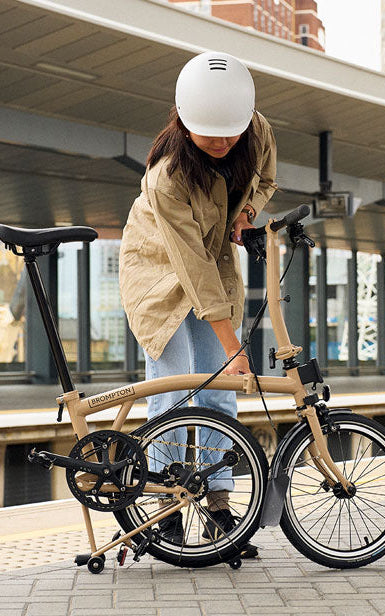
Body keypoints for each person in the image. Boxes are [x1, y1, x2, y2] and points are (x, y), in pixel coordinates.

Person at [118, 51, 277, 552]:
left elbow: (266, 180)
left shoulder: (254, 131)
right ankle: (163, 509)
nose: (223, 142)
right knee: (175, 390)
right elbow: (191, 270)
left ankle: (218, 510)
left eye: (230, 131)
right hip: (157, 270)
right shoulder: (167, 177)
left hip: (210, 263)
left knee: (219, 396)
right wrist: (234, 346)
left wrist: (245, 212)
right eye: (210, 134)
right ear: (184, 124)